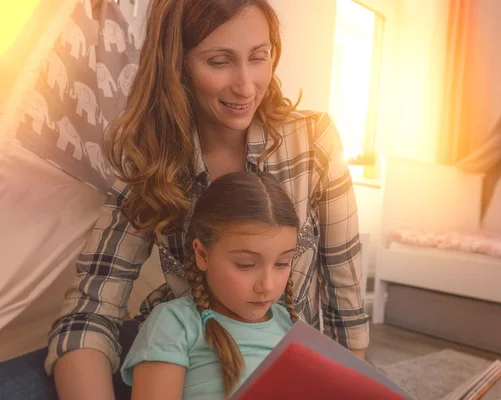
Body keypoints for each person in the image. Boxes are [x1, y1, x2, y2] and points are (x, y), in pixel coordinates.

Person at [0, 0, 369, 398]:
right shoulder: (151, 160)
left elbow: (344, 301)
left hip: (282, 372)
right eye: (218, 62)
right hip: (183, 362)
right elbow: (91, 311)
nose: (246, 86)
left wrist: (351, 385)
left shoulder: (313, 141)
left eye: (259, 57)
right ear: (177, 64)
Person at [122, 171, 300, 399]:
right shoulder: (175, 325)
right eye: (245, 265)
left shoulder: (292, 325)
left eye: (282, 263)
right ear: (203, 255)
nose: (267, 285)